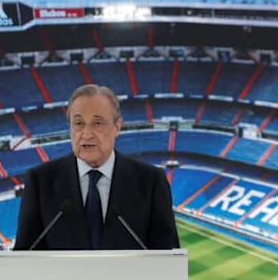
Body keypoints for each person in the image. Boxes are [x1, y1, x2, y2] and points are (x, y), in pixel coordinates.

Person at [13, 84, 180, 250]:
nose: (86, 134)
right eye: (78, 123)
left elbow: (167, 259)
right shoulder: (40, 182)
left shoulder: (151, 182)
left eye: (97, 123)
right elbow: (24, 257)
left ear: (117, 126)